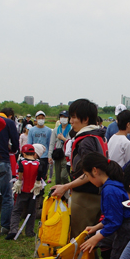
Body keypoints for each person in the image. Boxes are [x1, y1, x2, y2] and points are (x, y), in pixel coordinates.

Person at [51, 99, 107, 238]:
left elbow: (91, 173)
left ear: (85, 119)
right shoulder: (97, 135)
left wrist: (66, 186)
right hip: (96, 193)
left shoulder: (86, 140)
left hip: (86, 195)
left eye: (74, 117)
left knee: (80, 237)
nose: (70, 121)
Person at [78, 152, 130, 259]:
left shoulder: (110, 190)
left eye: (87, 175)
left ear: (95, 171)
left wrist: (96, 238)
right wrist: (97, 227)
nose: (89, 180)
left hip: (128, 230)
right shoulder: (114, 184)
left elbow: (115, 221)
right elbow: (114, 214)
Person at [0, 107, 20, 233]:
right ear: (11, 115)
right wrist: (12, 150)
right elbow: (15, 143)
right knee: (7, 195)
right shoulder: (9, 123)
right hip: (3, 160)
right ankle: (5, 225)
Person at [6, 144, 45, 240]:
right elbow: (40, 175)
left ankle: (13, 230)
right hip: (33, 191)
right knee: (32, 212)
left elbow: (18, 173)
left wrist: (18, 181)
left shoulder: (21, 162)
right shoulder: (38, 163)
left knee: (17, 211)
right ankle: (29, 231)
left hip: (22, 191)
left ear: (23, 153)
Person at [27, 110, 53, 177]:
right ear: (36, 119)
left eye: (42, 118)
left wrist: (50, 155)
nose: (41, 119)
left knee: (43, 175)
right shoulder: (32, 130)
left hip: (44, 156)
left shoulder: (49, 130)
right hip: (34, 155)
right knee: (34, 175)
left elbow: (50, 143)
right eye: (39, 118)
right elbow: (29, 143)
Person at [52, 109, 71, 185]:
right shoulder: (56, 130)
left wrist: (63, 139)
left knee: (64, 176)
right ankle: (60, 195)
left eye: (65, 117)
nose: (63, 118)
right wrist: (50, 155)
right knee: (57, 178)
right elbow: (52, 143)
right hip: (58, 154)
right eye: (61, 117)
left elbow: (71, 142)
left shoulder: (71, 129)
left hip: (66, 155)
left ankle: (67, 188)